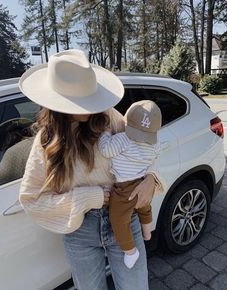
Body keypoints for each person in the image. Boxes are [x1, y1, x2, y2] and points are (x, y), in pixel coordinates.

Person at [19, 49, 163, 290]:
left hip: (126, 218)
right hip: (79, 231)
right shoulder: (46, 140)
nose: (91, 106)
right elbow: (30, 199)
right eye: (80, 99)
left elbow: (143, 149)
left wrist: (151, 178)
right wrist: (86, 197)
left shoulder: (109, 118)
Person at [98, 100, 162, 269]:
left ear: (125, 120)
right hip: (142, 183)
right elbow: (155, 158)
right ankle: (147, 231)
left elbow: (105, 150)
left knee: (118, 219)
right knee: (144, 206)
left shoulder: (123, 138)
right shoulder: (155, 143)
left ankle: (130, 251)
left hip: (124, 189)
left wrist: (105, 133)